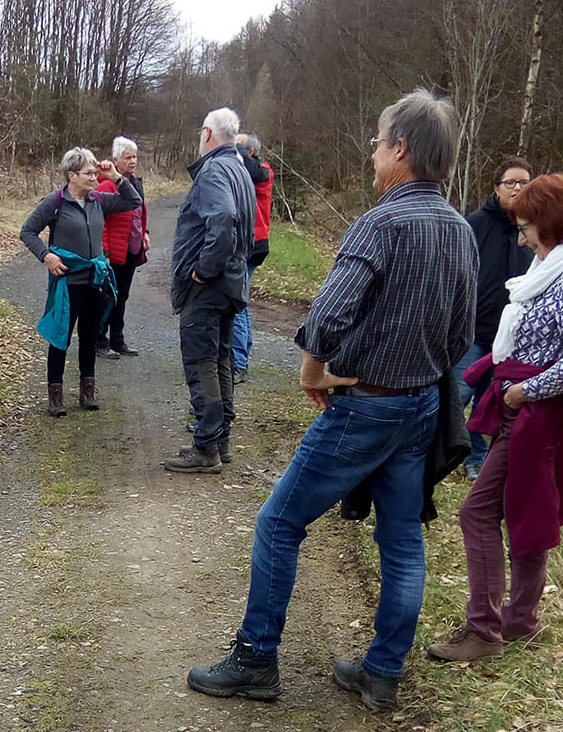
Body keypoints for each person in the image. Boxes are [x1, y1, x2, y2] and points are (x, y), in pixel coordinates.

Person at [184, 89, 477, 711]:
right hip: (421, 406)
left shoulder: (382, 223)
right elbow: (460, 335)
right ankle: (381, 673)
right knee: (402, 542)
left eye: (377, 141)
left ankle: (256, 658)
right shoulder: (460, 229)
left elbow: (325, 319)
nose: (372, 153)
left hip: (366, 408)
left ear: (400, 150)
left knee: (278, 523)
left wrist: (313, 373)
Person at [428, 174, 563, 662]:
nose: (522, 236)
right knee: (525, 509)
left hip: (536, 412)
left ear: (551, 221)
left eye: (528, 225)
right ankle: (520, 619)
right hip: (525, 406)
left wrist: (523, 391)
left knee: (478, 513)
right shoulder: (552, 265)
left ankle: (484, 630)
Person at [161, 108, 255, 474]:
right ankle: (221, 439)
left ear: (207, 134)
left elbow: (224, 218)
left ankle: (206, 447)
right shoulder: (241, 168)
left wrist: (202, 270)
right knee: (221, 360)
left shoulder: (215, 169)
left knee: (202, 362)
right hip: (231, 284)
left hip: (210, 285)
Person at [20, 148, 144, 415]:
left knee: (89, 337)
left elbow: (134, 202)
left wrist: (116, 176)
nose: (94, 178)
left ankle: (88, 392)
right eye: (88, 173)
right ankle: (55, 396)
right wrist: (47, 256)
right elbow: (27, 231)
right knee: (60, 337)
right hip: (68, 281)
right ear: (71, 175)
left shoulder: (99, 200)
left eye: (95, 173)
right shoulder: (55, 202)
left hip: (94, 280)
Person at [456, 158, 536, 478]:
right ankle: (435, 448)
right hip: (473, 330)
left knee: (490, 401)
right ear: (496, 187)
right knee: (458, 394)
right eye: (510, 183)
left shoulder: (534, 229)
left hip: (510, 338)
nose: (517, 188)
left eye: (524, 183)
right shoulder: (474, 224)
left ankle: (475, 458)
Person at [95, 136, 149, 359]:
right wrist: (105, 251)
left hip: (131, 250)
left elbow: (139, 213)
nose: (133, 161)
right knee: (107, 297)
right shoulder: (106, 186)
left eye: (135, 157)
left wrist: (146, 233)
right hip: (114, 253)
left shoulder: (135, 184)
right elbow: (101, 223)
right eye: (128, 157)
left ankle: (118, 340)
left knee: (122, 297)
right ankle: (100, 341)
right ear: (116, 160)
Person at [231, 132, 274, 384]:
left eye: (236, 147)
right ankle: (241, 353)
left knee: (237, 302)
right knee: (241, 300)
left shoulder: (262, 171)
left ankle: (238, 362)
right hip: (254, 243)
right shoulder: (256, 168)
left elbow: (252, 169)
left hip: (252, 243)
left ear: (249, 152)